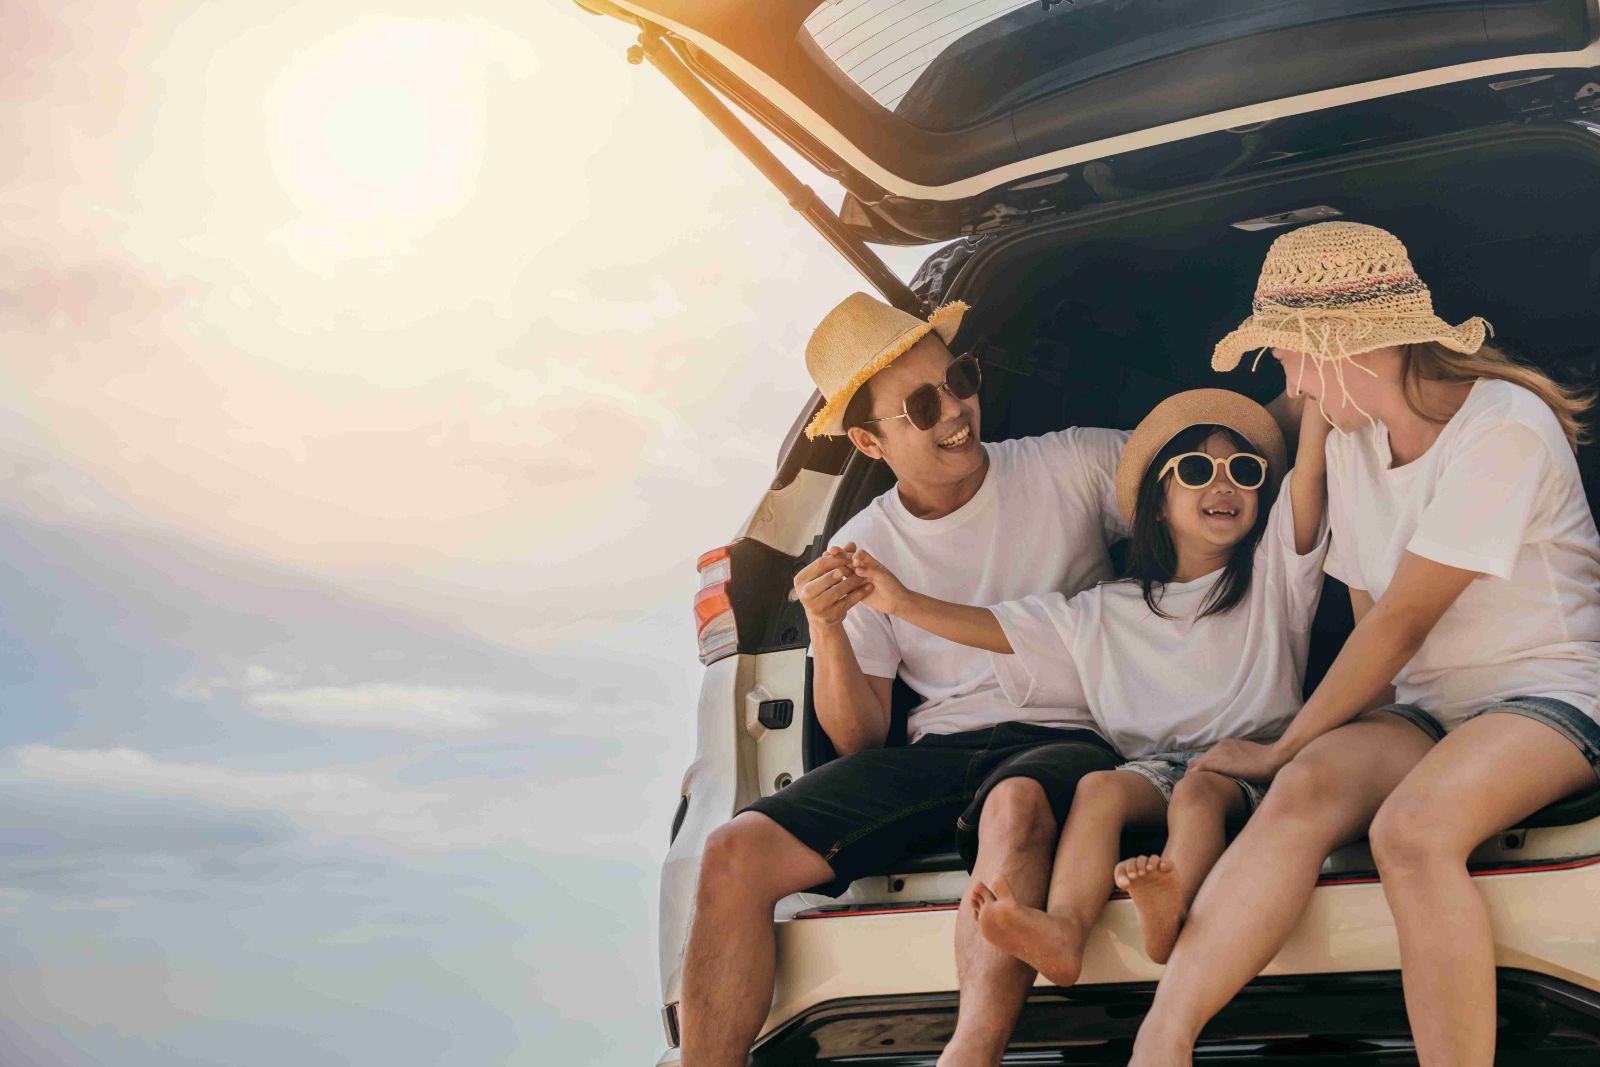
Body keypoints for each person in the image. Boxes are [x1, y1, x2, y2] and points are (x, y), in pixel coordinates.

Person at [1127, 221, 1600, 1067]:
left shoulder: (1505, 425)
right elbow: (1380, 640)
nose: (1290, 382)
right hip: (1427, 705)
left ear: (1343, 347)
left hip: (1546, 694)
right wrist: (1300, 758)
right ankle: (1160, 1045)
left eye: (1289, 357)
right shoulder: (1350, 445)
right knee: (1305, 790)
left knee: (1410, 831)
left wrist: (1280, 745)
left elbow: (1396, 624)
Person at [678, 292, 1137, 1067]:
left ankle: (970, 1056)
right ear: (868, 438)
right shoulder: (863, 541)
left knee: (1016, 806)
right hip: (938, 754)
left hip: (1069, 735)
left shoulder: (1071, 463)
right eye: (923, 404)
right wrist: (825, 628)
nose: (956, 408)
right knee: (731, 851)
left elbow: (1209, 469)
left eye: (959, 378)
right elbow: (861, 736)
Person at [849, 388, 1330, 983]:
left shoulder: (1276, 576)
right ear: (1154, 503)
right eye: (1198, 469)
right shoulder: (1107, 608)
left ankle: (1170, 907)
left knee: (1198, 796)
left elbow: (1310, 473)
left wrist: (1316, 386)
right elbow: (999, 630)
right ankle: (1064, 932)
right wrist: (902, 602)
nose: (1224, 485)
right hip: (1152, 769)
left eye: (1245, 471)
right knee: (1100, 789)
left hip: (1251, 766)